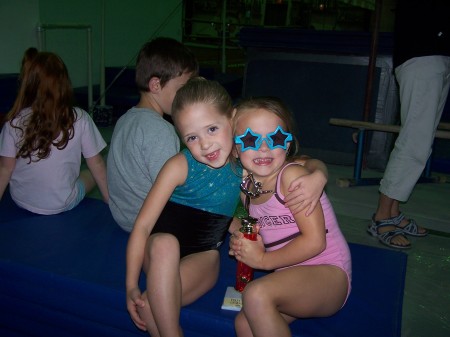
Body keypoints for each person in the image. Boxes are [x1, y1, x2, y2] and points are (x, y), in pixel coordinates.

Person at [125, 78, 329, 336]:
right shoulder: (179, 166)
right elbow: (143, 226)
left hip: (203, 256)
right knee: (165, 245)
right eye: (192, 137)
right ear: (182, 138)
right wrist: (131, 284)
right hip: (158, 252)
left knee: (150, 308)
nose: (205, 144)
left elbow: (305, 161)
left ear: (232, 120)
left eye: (212, 129)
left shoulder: (246, 160)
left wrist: (319, 175)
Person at [229, 97, 352, 337]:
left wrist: (262, 260)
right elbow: (262, 225)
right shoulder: (247, 186)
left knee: (256, 293)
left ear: (287, 145)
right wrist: (242, 241)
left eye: (275, 139)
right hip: (291, 276)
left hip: (328, 274)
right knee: (243, 324)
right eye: (250, 140)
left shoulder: (291, 177)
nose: (264, 148)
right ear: (234, 148)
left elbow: (316, 242)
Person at [369, 0, 450, 249]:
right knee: (415, 141)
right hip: (423, 54)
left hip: (435, 54)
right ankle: (382, 215)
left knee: (420, 142)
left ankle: (392, 211)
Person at [107, 37, 199, 232]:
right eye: (182, 90)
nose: (186, 97)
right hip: (150, 223)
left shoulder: (125, 119)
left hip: (123, 216)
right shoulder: (161, 131)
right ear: (156, 85)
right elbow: (175, 193)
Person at [0, 51, 108, 214]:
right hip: (62, 202)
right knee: (93, 171)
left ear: (29, 84)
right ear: (64, 84)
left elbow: (5, 169)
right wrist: (110, 201)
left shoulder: (14, 122)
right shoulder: (80, 118)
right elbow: (96, 164)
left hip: (21, 199)